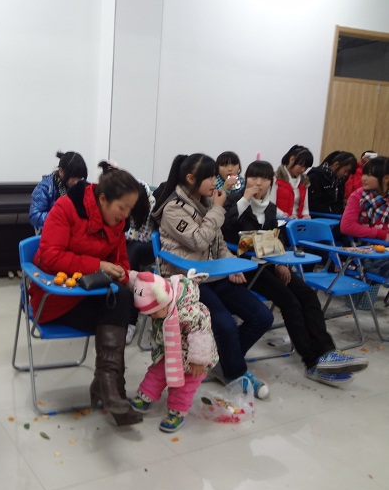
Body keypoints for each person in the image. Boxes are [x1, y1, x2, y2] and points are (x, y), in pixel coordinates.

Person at [222, 160, 369, 386]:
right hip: (245, 267)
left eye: (264, 178)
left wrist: (281, 263)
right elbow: (225, 230)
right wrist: (245, 200)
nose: (258, 182)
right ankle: (312, 363)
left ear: (271, 182)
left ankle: (327, 352)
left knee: (307, 294)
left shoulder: (270, 209)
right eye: (253, 177)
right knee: (289, 301)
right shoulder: (234, 201)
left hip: (269, 264)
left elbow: (276, 238)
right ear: (246, 179)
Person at [29, 161, 143, 426]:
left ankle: (109, 387)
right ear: (102, 199)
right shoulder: (66, 208)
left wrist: (124, 274)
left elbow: (121, 261)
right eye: (122, 207)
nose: (126, 215)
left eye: (130, 208)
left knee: (122, 298)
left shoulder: (116, 220)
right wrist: (98, 265)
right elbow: (50, 255)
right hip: (56, 298)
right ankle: (111, 389)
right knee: (118, 311)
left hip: (90, 296)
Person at [153, 153, 273, 399]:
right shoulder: (173, 209)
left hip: (215, 275)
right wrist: (218, 209)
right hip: (189, 281)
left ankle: (223, 361)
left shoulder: (207, 203)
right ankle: (236, 372)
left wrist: (232, 266)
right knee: (226, 324)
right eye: (209, 177)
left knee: (262, 317)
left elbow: (219, 246)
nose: (215, 182)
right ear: (190, 178)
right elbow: (199, 241)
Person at [127, 270, 218, 432]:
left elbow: (201, 335)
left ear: (164, 302)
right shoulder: (160, 296)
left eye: (154, 313)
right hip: (170, 349)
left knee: (184, 386)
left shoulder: (190, 313)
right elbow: (139, 281)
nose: (153, 317)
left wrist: (198, 360)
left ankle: (177, 411)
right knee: (157, 372)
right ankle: (145, 396)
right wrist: (126, 276)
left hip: (193, 358)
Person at [340, 155, 389, 278]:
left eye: (369, 175)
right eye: (364, 174)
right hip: (364, 251)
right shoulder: (358, 196)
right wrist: (381, 234)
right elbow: (347, 226)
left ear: (386, 178)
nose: (364, 178)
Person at [124, 178, 154, 344]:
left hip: (146, 244)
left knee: (131, 256)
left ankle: (130, 321)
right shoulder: (124, 194)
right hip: (129, 240)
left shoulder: (149, 203)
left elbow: (143, 235)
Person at [29, 151, 88, 233]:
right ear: (61, 171)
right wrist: (60, 216)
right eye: (73, 177)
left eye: (80, 177)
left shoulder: (81, 186)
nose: (76, 182)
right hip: (51, 232)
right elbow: (35, 216)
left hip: (75, 233)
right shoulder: (46, 187)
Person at [271, 145, 314, 219]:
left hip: (297, 221)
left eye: (306, 167)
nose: (303, 170)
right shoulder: (275, 178)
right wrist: (285, 216)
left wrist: (306, 217)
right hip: (280, 220)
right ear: (292, 159)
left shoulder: (304, 181)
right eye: (301, 166)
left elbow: (305, 208)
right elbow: (271, 205)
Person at [307, 150, 357, 215]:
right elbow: (312, 204)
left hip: (333, 216)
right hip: (318, 215)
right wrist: (331, 213)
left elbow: (338, 203)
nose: (346, 174)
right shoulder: (315, 176)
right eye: (345, 171)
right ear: (336, 164)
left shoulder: (339, 180)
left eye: (348, 172)